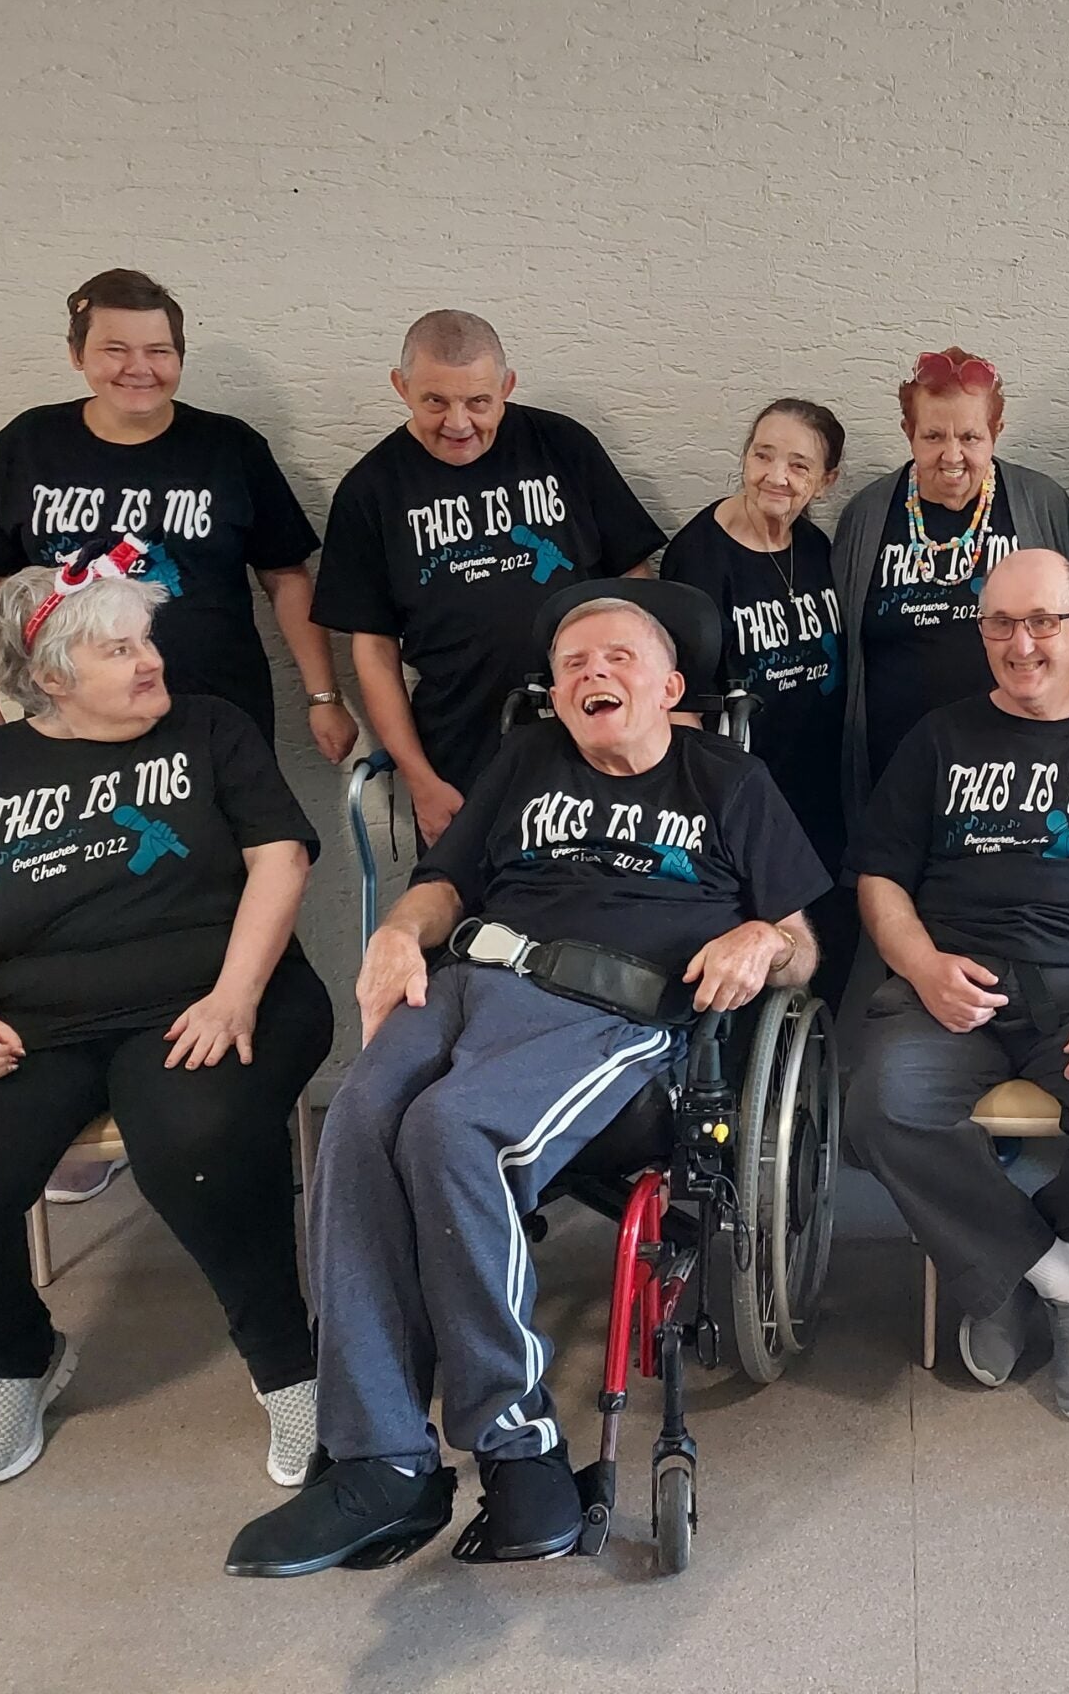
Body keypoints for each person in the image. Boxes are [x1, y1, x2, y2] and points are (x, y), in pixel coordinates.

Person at [225, 590, 827, 1576]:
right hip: (469, 978)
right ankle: (381, 1461)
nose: (593, 673)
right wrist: (396, 933)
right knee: (360, 1121)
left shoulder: (727, 778)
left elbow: (803, 946)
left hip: (612, 1007)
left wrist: (761, 937)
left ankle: (521, 1452)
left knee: (452, 1130)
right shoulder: (524, 760)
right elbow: (443, 884)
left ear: (670, 687)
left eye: (617, 657)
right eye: (573, 662)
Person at [0, 557, 332, 1491]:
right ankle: (17, 1358)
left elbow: (280, 857)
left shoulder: (209, 729)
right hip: (27, 1020)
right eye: (119, 650)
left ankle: (289, 1365)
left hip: (207, 995)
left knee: (199, 1145)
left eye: (145, 641)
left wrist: (236, 993)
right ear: (51, 675)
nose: (151, 661)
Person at [844, 550, 1069, 1422]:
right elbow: (880, 879)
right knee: (882, 1108)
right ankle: (1059, 1275)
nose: (1022, 644)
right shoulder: (938, 738)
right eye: (1001, 624)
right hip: (953, 986)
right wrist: (922, 965)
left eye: (1043, 621)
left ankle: (1006, 1260)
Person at [0, 268, 357, 764]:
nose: (138, 368)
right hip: (70, 720)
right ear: (77, 354)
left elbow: (286, 577)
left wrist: (323, 697)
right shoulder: (28, 445)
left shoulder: (232, 448)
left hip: (217, 715)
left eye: (158, 351)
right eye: (115, 349)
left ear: (179, 356)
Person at [311, 310, 667, 845]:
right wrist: (421, 781)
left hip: (601, 731)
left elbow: (635, 581)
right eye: (435, 401)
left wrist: (658, 716)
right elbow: (374, 652)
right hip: (464, 749)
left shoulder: (562, 444)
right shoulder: (371, 490)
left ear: (507, 387)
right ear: (401, 387)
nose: (458, 423)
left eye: (478, 402)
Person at [830, 346, 1069, 839]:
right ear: (908, 432)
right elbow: (844, 645)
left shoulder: (1041, 505)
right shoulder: (867, 515)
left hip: (1021, 771)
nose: (952, 455)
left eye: (970, 436)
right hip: (894, 769)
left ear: (996, 432)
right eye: (933, 436)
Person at [660, 398, 856, 1003]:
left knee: (830, 937)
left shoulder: (816, 548)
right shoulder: (699, 555)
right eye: (762, 455)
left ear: (826, 481)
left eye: (799, 465)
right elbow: (682, 699)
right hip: (746, 791)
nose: (776, 476)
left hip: (820, 782)